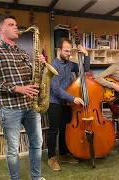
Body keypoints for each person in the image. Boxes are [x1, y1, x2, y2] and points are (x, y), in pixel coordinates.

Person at [0, 14, 46, 180]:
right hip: (9, 108)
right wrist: (17, 88)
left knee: (37, 144)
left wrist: (42, 65)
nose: (16, 27)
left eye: (16, 24)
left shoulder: (24, 53)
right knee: (13, 150)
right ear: (1, 30)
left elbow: (34, 77)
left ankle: (36, 177)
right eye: (11, 24)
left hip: (30, 106)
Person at [47, 38, 90, 170]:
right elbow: (56, 89)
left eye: (70, 51)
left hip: (66, 102)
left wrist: (86, 55)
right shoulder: (53, 66)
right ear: (58, 50)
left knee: (65, 129)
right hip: (54, 102)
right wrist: (73, 98)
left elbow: (85, 69)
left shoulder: (70, 64)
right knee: (53, 131)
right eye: (66, 51)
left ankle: (64, 154)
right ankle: (51, 158)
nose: (69, 53)